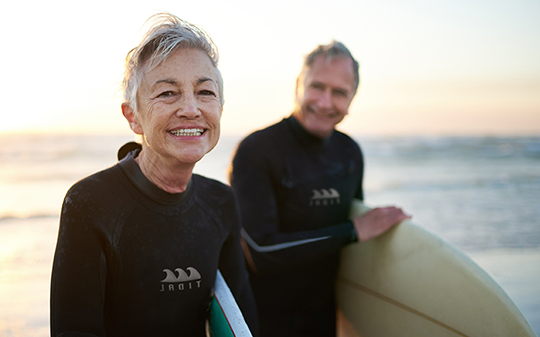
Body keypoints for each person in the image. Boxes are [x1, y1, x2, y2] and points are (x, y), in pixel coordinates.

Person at [50, 13, 258, 337]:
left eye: (205, 92)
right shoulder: (90, 203)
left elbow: (241, 320)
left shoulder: (220, 202)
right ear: (133, 117)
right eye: (167, 93)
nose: (191, 108)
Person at [229, 41, 410, 336]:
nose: (325, 102)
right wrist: (352, 230)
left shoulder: (349, 153)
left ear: (352, 98)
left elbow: (351, 254)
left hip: (322, 322)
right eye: (317, 87)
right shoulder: (257, 151)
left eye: (339, 93)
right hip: (261, 322)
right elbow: (261, 251)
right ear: (298, 85)